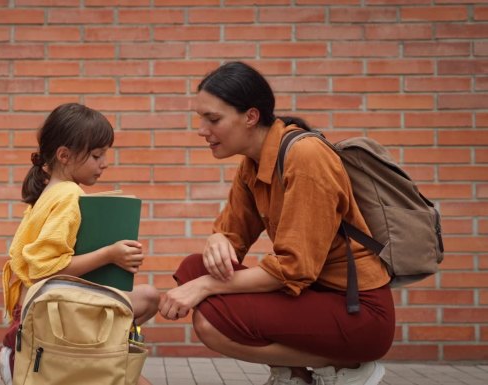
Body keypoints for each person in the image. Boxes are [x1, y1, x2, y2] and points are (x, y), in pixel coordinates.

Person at [158, 62, 395, 385]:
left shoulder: (306, 156)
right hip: (312, 301)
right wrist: (217, 240)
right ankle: (294, 375)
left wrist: (205, 286)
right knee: (194, 267)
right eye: (201, 118)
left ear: (251, 116)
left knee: (210, 320)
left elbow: (294, 269)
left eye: (213, 119)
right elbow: (232, 238)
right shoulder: (252, 165)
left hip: (358, 314)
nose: (202, 130)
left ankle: (349, 365)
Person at [0, 103, 159, 385]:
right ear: (64, 155)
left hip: (38, 310)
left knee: (144, 301)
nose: (105, 163)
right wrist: (110, 255)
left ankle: (88, 357)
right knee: (149, 298)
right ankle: (71, 357)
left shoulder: (48, 192)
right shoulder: (68, 195)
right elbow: (45, 270)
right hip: (46, 314)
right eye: (96, 155)